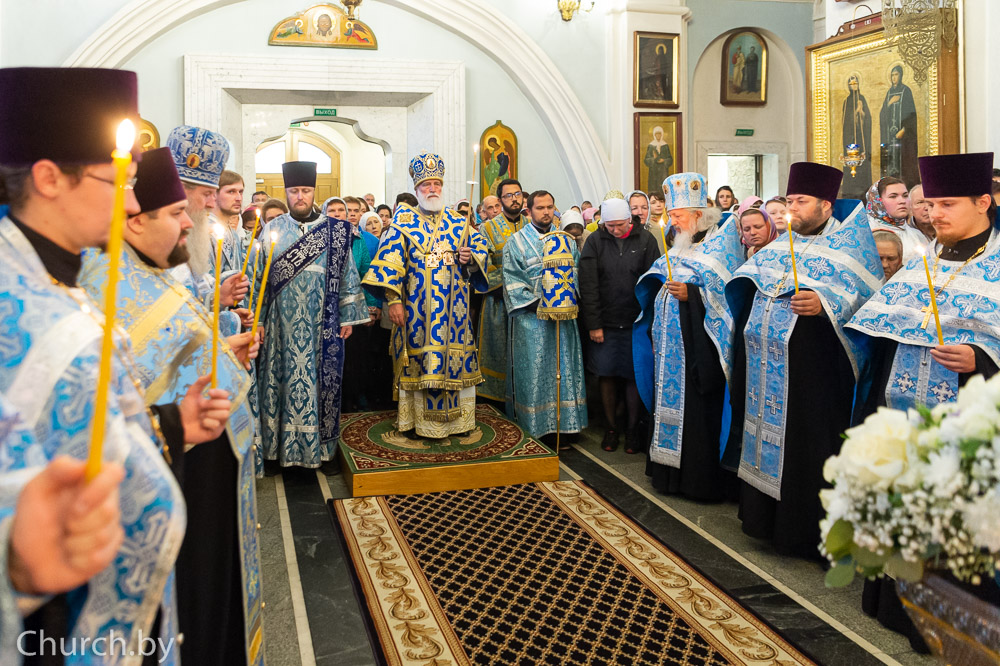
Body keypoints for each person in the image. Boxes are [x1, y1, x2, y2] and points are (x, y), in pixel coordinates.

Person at [0, 66, 229, 663]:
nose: (131, 200)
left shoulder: (56, 275)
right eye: (117, 180)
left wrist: (172, 424)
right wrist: (14, 559)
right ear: (49, 178)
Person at [78, 147, 263, 665]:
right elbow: (128, 371)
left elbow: (177, 344)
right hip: (176, 470)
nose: (189, 222)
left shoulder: (153, 267)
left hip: (203, 473)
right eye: (178, 212)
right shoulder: (106, 279)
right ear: (135, 221)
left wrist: (222, 349)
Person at [847, 152, 1000, 653]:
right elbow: (883, 333)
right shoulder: (922, 264)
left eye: (948, 203)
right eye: (930, 203)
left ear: (985, 201)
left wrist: (982, 357)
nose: (934, 214)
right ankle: (895, 606)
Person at [725, 162, 882, 559]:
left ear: (826, 205)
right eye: (790, 199)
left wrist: (826, 304)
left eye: (802, 201)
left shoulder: (850, 250)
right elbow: (746, 287)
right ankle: (764, 522)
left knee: (807, 448)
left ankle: (805, 534)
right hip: (766, 371)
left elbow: (870, 305)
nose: (792, 208)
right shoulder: (778, 246)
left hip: (815, 378)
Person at [635, 173, 743, 501]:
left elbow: (726, 300)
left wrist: (691, 295)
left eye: (679, 217)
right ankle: (668, 475)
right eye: (672, 216)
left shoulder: (721, 247)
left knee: (697, 415)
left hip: (699, 354)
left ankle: (696, 481)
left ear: (698, 215)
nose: (673, 222)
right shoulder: (681, 246)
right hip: (670, 352)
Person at [363, 153, 488, 438]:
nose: (432, 189)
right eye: (426, 185)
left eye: (436, 184)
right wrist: (394, 301)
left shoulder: (460, 223)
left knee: (454, 361)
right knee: (421, 363)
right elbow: (389, 264)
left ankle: (459, 423)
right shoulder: (403, 222)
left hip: (454, 311)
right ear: (417, 188)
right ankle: (419, 424)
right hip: (418, 311)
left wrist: (470, 258)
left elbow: (482, 254)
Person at [257, 163, 369, 474]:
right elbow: (260, 281)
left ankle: (319, 451)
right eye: (294, 191)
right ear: (287, 193)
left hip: (322, 324)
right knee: (278, 384)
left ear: (313, 192)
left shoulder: (335, 231)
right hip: (281, 326)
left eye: (305, 191)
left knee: (321, 387)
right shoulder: (273, 228)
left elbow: (348, 274)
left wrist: (348, 316)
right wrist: (260, 321)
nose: (300, 196)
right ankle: (277, 452)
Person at [502, 190, 588, 438]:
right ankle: (535, 426)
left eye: (550, 207)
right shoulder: (516, 242)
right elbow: (512, 282)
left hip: (563, 319)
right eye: (540, 208)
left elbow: (577, 276)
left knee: (564, 368)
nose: (546, 212)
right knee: (536, 373)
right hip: (532, 322)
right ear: (528, 211)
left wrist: (564, 299)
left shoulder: (568, 242)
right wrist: (542, 303)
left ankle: (566, 425)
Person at [579, 198, 659, 452]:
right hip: (606, 322)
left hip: (636, 322)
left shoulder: (646, 241)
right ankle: (611, 429)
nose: (614, 230)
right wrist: (594, 324)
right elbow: (588, 285)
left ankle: (633, 430)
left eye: (619, 225)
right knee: (607, 375)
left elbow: (654, 281)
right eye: (609, 225)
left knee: (633, 375)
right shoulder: (595, 241)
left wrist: (649, 320)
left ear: (630, 220)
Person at [167, 126, 249, 323]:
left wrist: (220, 303)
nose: (212, 203)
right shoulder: (162, 241)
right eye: (206, 194)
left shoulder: (195, 235)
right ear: (181, 191)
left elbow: (195, 298)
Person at [475, 178, 529, 402]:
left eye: (517, 194)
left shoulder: (531, 225)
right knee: (497, 352)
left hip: (528, 304)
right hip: (499, 303)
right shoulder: (487, 228)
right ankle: (495, 404)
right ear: (500, 200)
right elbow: (483, 264)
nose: (514, 199)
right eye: (508, 196)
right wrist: (508, 286)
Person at [866, 176, 925, 261]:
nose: (902, 201)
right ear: (877, 201)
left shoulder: (918, 236)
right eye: (893, 196)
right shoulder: (866, 233)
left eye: (905, 196)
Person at [880, 65, 919, 187]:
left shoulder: (905, 91)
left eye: (896, 75)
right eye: (892, 75)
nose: (894, 78)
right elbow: (882, 114)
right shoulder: (889, 93)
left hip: (903, 136)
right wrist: (890, 102)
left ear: (901, 75)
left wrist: (905, 129)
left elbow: (912, 114)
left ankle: (907, 187)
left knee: (904, 162)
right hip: (890, 136)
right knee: (892, 164)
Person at [841, 75, 874, 199]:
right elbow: (845, 122)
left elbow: (867, 119)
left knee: (863, 166)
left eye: (855, 83)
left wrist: (861, 112)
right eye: (851, 84)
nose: (853, 86)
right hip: (849, 140)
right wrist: (854, 114)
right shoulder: (847, 101)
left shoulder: (862, 99)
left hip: (862, 138)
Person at [643, 127, 673, 192]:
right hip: (653, 172)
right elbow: (646, 160)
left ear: (662, 134)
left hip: (663, 172)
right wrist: (653, 159)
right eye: (657, 134)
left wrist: (664, 161)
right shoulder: (651, 146)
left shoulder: (665, 145)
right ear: (654, 135)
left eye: (659, 134)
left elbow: (670, 159)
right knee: (654, 189)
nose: (658, 136)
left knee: (663, 189)